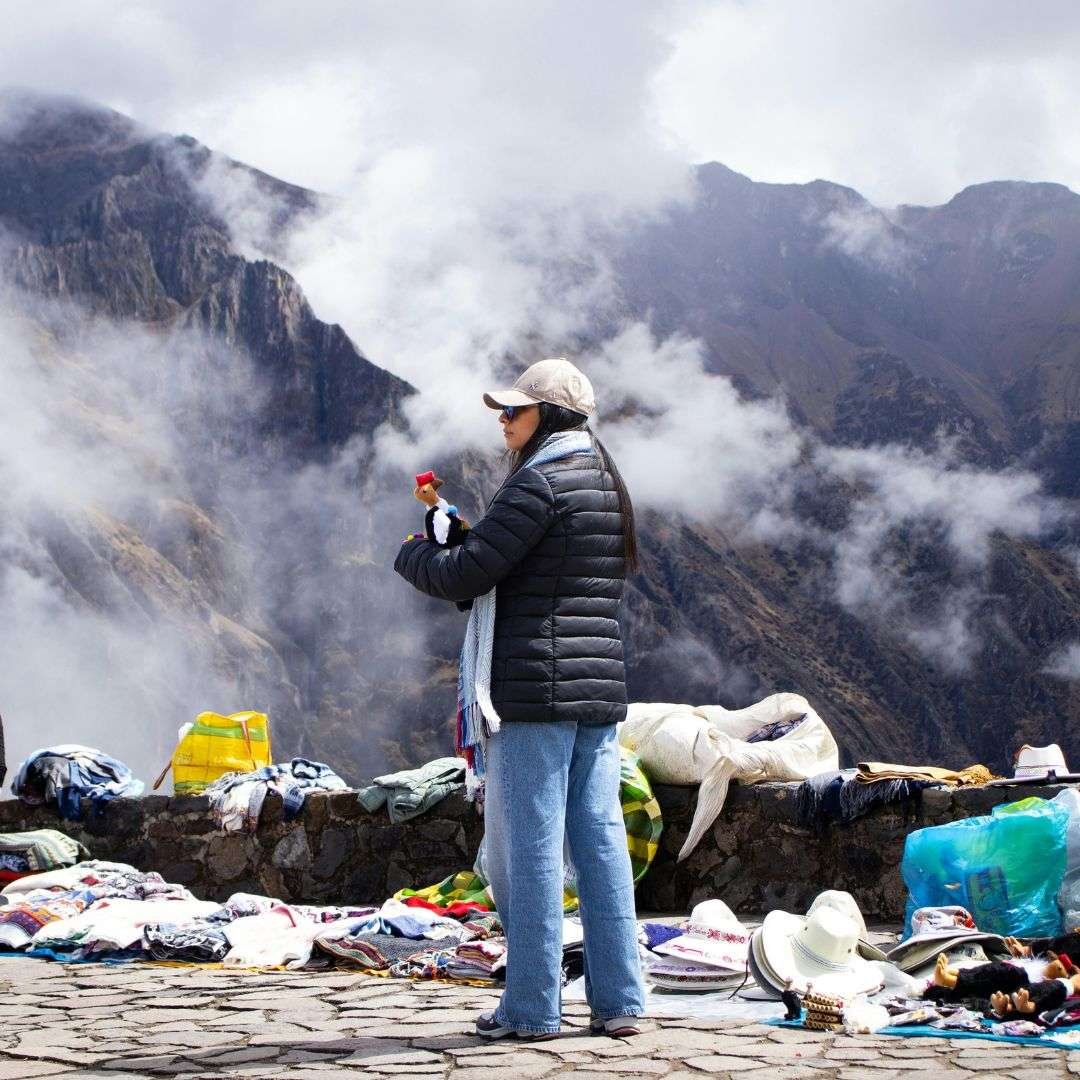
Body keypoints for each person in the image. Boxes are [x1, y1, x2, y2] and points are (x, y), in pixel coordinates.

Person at [394, 357, 645, 1039]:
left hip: (533, 690)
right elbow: (525, 565)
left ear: (549, 416)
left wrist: (416, 550)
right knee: (598, 844)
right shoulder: (601, 479)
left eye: (514, 411)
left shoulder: (538, 482)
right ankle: (620, 1002)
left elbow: (469, 576)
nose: (504, 422)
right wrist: (466, 535)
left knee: (526, 850)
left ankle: (532, 1007)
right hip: (597, 690)